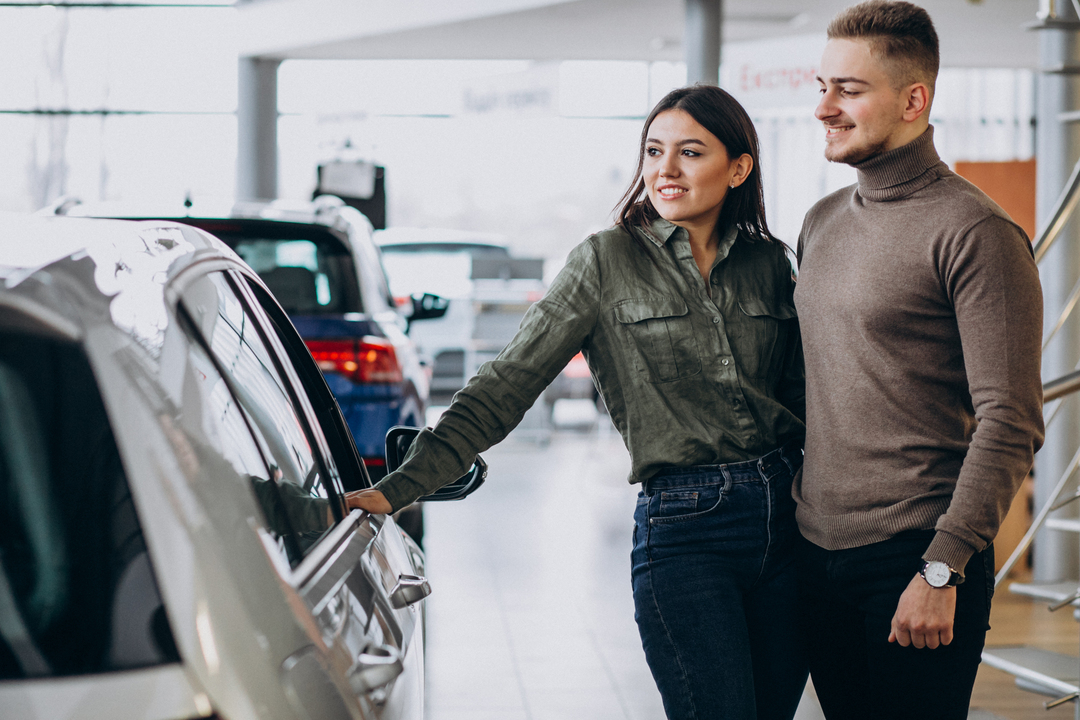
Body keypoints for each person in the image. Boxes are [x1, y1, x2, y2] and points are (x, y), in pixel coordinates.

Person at [346, 84, 807, 720]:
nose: (665, 170)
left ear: (738, 168)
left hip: (790, 521)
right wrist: (401, 487)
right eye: (653, 151)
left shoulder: (771, 264)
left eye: (690, 152)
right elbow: (508, 381)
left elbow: (807, 399)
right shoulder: (606, 260)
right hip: (688, 527)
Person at [793, 2, 1045, 718]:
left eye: (848, 89)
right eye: (821, 86)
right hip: (817, 553)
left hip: (917, 556)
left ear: (913, 100)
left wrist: (944, 567)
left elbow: (1012, 419)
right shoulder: (823, 221)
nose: (823, 108)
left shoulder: (977, 232)